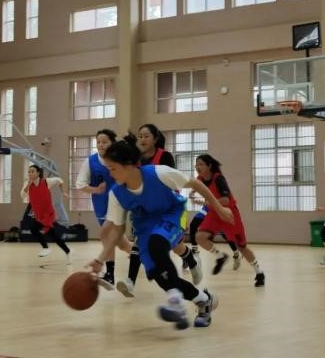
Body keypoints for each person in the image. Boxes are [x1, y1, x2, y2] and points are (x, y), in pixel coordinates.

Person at [87, 134, 234, 329]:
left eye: (113, 168)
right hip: (145, 227)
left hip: (171, 214)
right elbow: (117, 230)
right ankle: (204, 300)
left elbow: (195, 184)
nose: (110, 173)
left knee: (157, 243)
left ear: (129, 165)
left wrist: (219, 208)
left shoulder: (159, 173)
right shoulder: (117, 193)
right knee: (163, 278)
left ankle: (175, 302)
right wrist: (100, 260)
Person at [116, 124, 201, 298]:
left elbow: (172, 184)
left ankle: (190, 260)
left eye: (146, 136)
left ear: (155, 139)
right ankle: (130, 281)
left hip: (168, 208)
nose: (142, 139)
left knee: (177, 247)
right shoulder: (136, 159)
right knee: (140, 242)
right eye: (140, 136)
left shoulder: (165, 156)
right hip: (147, 210)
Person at [193, 155, 265, 287]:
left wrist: (206, 203)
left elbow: (225, 200)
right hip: (215, 213)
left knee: (242, 247)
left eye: (201, 164)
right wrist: (193, 192)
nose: (197, 167)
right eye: (196, 165)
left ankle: (259, 272)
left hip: (229, 213)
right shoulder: (199, 179)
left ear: (209, 166)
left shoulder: (218, 178)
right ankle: (220, 256)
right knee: (200, 237)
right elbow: (198, 187)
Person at [76, 129, 132, 288]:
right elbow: (80, 184)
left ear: (112, 143)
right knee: (122, 244)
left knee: (107, 236)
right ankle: (146, 257)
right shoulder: (90, 161)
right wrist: (96, 190)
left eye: (104, 142)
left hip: (118, 203)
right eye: (98, 142)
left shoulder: (119, 160)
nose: (101, 145)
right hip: (101, 205)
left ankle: (110, 275)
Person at [21, 165, 71, 262]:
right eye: (29, 172)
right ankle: (68, 252)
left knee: (34, 229)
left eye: (32, 171)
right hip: (39, 215)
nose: (30, 173)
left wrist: (63, 192)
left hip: (48, 213)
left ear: (38, 173)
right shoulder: (27, 184)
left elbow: (59, 180)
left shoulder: (47, 181)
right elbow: (23, 196)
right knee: (53, 235)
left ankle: (46, 248)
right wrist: (28, 185)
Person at [188, 205, 240, 270]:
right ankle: (195, 250)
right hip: (207, 210)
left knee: (226, 235)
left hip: (219, 212)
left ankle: (236, 254)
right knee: (193, 224)